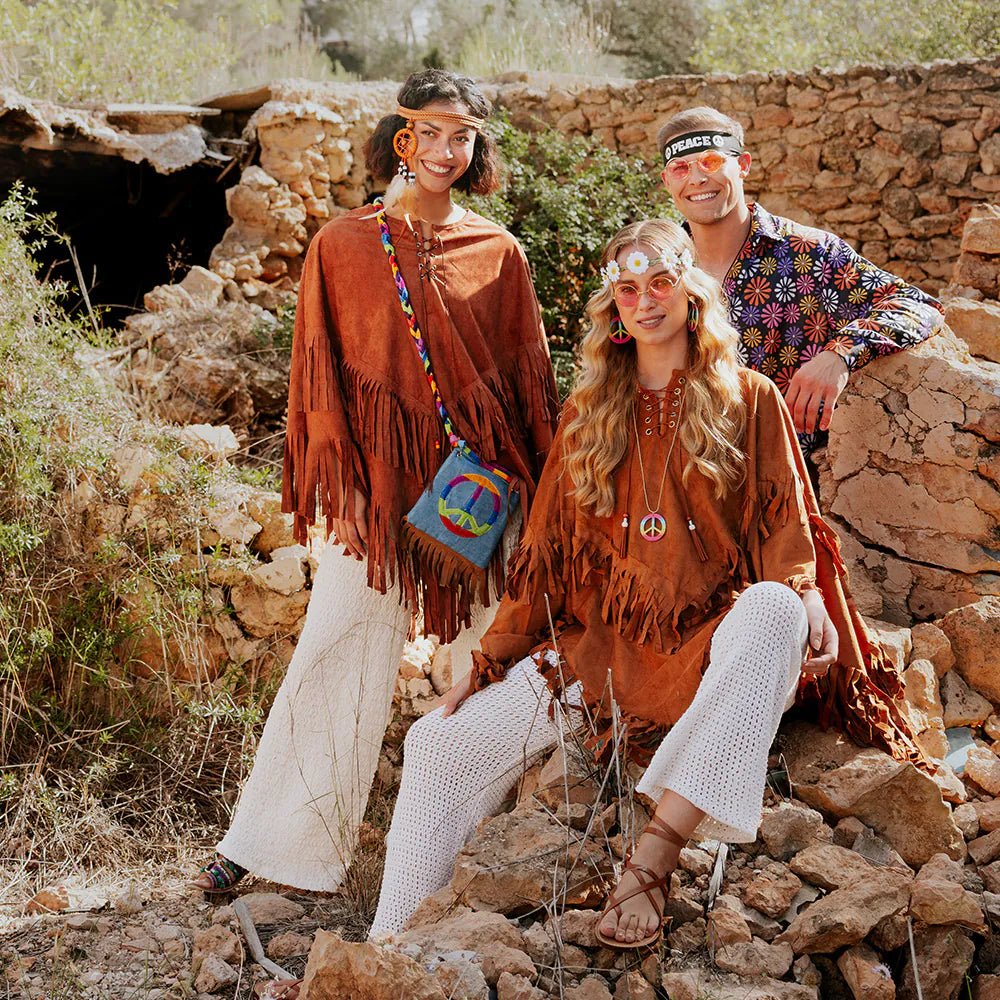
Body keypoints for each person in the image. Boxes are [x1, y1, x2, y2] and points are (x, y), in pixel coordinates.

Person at [369, 219, 922, 947]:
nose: (646, 300)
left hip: (715, 644)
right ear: (614, 310)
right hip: (602, 650)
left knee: (773, 610)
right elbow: (546, 557)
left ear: (691, 292)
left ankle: (653, 861)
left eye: (661, 282)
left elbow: (787, 520)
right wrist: (490, 659)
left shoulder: (751, 396)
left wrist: (809, 593)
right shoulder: (586, 416)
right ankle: (388, 950)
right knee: (437, 744)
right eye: (628, 289)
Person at [190, 68, 560, 927]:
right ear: (399, 137)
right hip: (377, 493)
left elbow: (528, 383)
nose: (444, 150)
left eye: (461, 135)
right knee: (336, 650)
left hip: (479, 494)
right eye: (428, 132)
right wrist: (351, 488)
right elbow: (319, 374)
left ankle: (481, 837)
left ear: (478, 146)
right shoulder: (344, 246)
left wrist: (539, 499)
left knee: (496, 647)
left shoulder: (499, 252)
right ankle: (272, 844)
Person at [656, 107, 944, 456]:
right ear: (667, 181)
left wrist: (839, 355)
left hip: (785, 474)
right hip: (680, 471)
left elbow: (918, 305)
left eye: (711, 162)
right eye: (681, 168)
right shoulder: (659, 268)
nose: (697, 179)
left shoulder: (810, 252)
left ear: (743, 164)